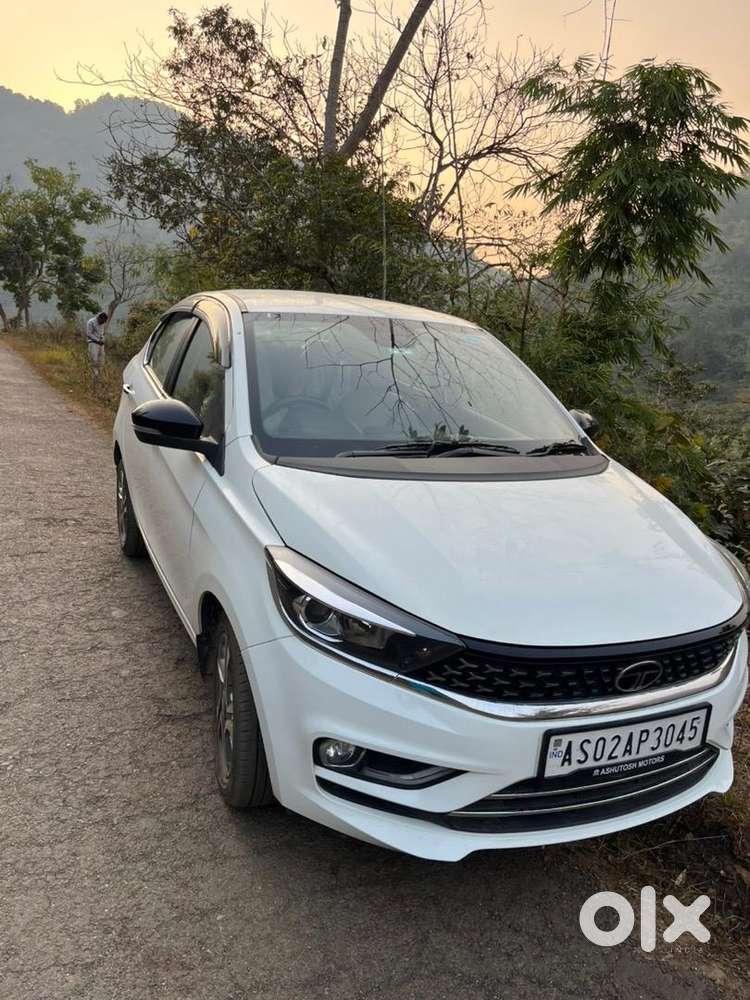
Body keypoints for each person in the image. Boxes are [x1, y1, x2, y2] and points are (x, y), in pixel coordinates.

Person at [85, 311, 108, 385]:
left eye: (104, 322)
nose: (102, 323)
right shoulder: (91, 322)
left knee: (101, 361)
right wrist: (97, 340)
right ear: (99, 318)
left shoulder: (102, 324)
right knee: (93, 361)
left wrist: (102, 339)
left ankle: (98, 380)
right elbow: (89, 334)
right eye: (102, 321)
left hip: (100, 345)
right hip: (93, 343)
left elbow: (102, 333)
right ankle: (93, 380)